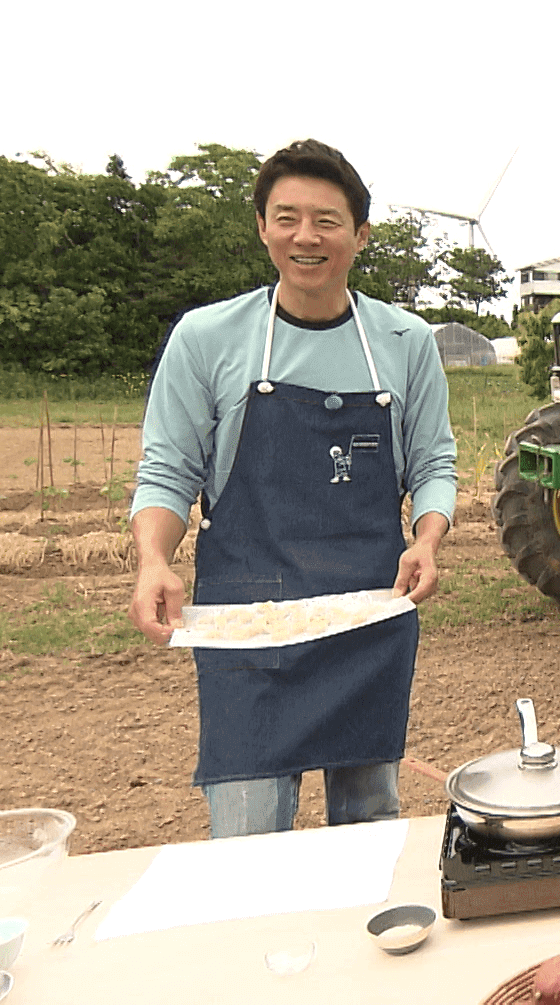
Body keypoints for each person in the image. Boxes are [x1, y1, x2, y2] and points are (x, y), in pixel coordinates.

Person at [126, 139, 457, 837]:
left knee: (369, 829)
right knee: (248, 838)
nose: (306, 237)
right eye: (287, 218)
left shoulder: (404, 341)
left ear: (360, 235)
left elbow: (431, 463)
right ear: (262, 227)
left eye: (327, 220)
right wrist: (154, 559)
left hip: (368, 613)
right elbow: (169, 468)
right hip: (247, 625)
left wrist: (428, 538)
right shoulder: (208, 338)